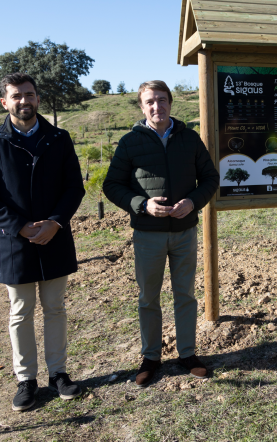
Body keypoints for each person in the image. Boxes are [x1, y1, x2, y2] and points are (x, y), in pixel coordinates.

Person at [0, 72, 85, 411]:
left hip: (54, 237)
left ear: (37, 98)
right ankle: (26, 380)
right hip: (13, 242)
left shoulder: (59, 138)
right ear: (4, 102)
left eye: (29, 94)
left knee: (56, 309)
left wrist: (55, 222)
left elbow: (73, 188)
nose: (24, 100)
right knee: (21, 312)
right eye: (16, 96)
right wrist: (19, 226)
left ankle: (59, 374)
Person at [103, 80, 219, 387]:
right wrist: (142, 205)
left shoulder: (190, 139)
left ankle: (187, 354)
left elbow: (210, 178)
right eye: (150, 102)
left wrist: (193, 202)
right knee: (148, 298)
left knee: (186, 295)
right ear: (142, 107)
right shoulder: (130, 142)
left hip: (184, 232)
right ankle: (151, 358)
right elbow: (112, 185)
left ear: (170, 103)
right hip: (148, 235)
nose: (157, 106)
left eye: (162, 100)